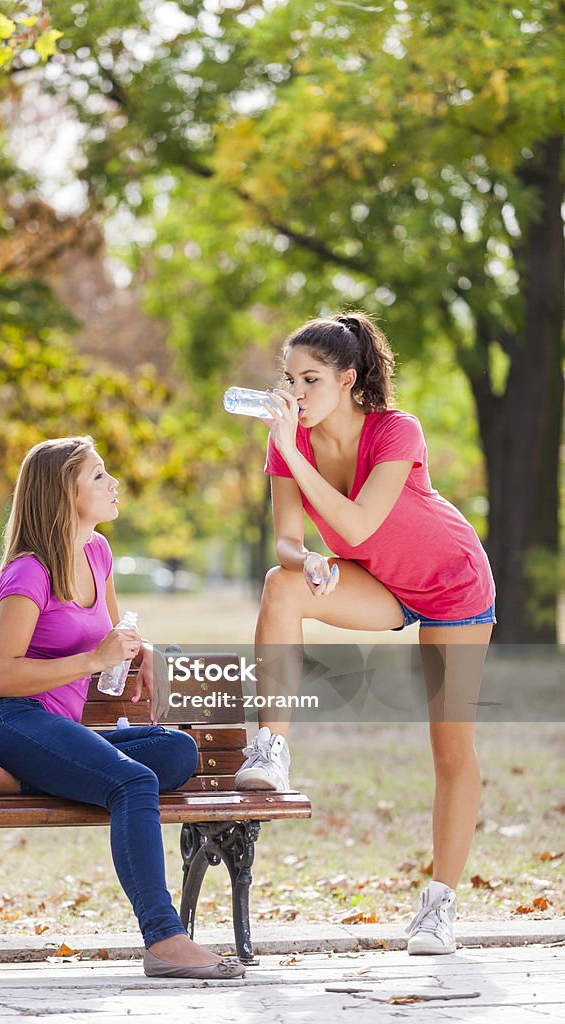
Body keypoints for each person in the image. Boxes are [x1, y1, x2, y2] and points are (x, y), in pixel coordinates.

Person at [233, 313, 496, 957]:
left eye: (311, 379)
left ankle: (439, 907)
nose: (294, 393)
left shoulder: (395, 430)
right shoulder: (287, 443)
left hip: (452, 584)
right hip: (379, 581)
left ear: (348, 379)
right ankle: (272, 746)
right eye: (289, 378)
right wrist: (308, 562)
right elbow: (291, 541)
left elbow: (358, 519)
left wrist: (294, 449)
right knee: (279, 584)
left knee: (449, 748)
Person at [0, 436, 245, 980]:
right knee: (133, 783)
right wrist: (95, 659)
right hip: (4, 721)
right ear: (63, 494)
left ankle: (13, 782)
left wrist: (145, 656)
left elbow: (119, 634)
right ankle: (164, 940)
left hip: (50, 731)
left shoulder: (98, 552)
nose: (113, 483)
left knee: (178, 751)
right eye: (97, 476)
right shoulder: (29, 572)